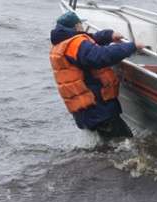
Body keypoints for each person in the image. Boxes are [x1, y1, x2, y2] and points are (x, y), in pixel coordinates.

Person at [49, 10, 143, 140]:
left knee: (107, 146)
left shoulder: (62, 44)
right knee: (124, 142)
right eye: (80, 24)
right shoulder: (75, 44)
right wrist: (131, 47)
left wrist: (108, 35)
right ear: (76, 26)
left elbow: (90, 42)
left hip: (86, 110)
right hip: (98, 109)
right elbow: (100, 56)